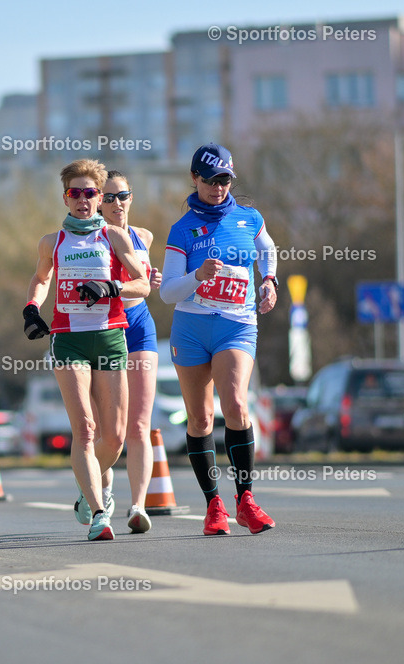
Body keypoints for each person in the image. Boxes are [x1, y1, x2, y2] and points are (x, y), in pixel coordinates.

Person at [24, 158, 150, 541]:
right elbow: (41, 279)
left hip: (111, 335)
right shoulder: (52, 242)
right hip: (69, 340)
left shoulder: (114, 237)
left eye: (90, 193)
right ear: (66, 198)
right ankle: (98, 512)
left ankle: (86, 480)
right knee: (85, 427)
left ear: (99, 197)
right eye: (75, 193)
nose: (82, 199)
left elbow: (142, 285)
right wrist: (31, 308)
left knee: (114, 437)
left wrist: (111, 288)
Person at [160, 143, 278, 535]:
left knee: (237, 405)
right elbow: (167, 292)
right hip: (191, 329)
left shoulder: (249, 217)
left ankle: (246, 499)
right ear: (195, 179)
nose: (218, 188)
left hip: (236, 323)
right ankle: (214, 504)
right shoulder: (183, 229)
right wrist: (198, 276)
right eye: (210, 180)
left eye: (225, 179)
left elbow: (268, 250)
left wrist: (270, 282)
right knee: (200, 417)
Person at [92, 170, 162, 534]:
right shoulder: (92, 238)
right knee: (108, 428)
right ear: (97, 202)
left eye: (122, 196)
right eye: (108, 198)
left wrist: (153, 281)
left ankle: (138, 506)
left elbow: (145, 282)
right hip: (105, 329)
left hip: (139, 326)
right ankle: (98, 489)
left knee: (139, 423)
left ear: (131, 198)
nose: (116, 203)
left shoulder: (144, 236)